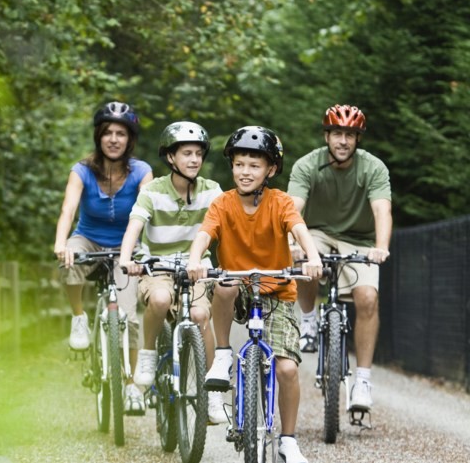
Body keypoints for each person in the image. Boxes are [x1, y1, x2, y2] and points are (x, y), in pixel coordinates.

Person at [186, 126, 323, 463]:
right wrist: (194, 260)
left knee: (287, 369)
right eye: (239, 164)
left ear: (271, 170)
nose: (245, 172)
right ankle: (222, 354)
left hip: (276, 290)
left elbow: (299, 229)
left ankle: (288, 441)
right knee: (225, 283)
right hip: (240, 287)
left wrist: (313, 256)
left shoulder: (281, 202)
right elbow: (204, 236)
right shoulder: (223, 203)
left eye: (254, 165)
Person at [287, 104, 392, 412]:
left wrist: (381, 246)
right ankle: (307, 321)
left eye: (350, 134)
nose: (343, 141)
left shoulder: (373, 168)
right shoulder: (308, 165)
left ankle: (362, 380)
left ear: (358, 139)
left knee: (367, 298)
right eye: (337, 134)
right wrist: (294, 243)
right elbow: (293, 209)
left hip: (359, 239)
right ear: (326, 135)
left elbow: (382, 210)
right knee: (306, 264)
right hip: (316, 232)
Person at [118, 121, 225, 422]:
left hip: (196, 268)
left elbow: (230, 225)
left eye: (199, 154)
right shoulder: (152, 192)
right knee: (161, 299)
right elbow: (134, 228)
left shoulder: (212, 190)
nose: (194, 160)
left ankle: (213, 395)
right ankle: (149, 356)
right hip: (157, 267)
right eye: (187, 153)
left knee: (202, 316)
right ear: (170, 158)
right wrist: (127, 259)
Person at [54, 101, 153, 414]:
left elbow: (148, 213)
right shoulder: (81, 170)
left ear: (129, 139)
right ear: (99, 137)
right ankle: (79, 317)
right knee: (70, 260)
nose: (114, 139)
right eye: (108, 132)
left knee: (129, 317)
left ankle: (130, 385)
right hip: (90, 240)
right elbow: (68, 209)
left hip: (126, 247)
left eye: (120, 133)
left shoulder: (141, 171)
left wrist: (144, 252)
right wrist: (62, 243)